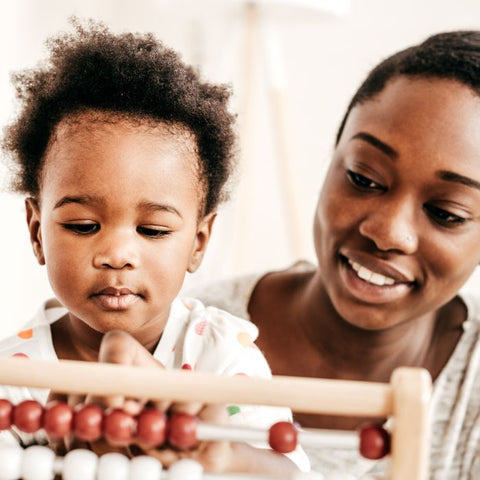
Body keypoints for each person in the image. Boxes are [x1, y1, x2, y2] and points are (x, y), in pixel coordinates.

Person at [0, 19, 309, 475]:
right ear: (37, 231)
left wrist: (219, 454)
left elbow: (290, 471)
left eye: (154, 231)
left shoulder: (223, 356)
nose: (118, 254)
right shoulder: (16, 378)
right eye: (84, 225)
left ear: (198, 242)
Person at [187, 30, 480, 479]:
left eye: (446, 213)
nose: (387, 233)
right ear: (332, 158)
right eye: (364, 178)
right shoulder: (183, 334)